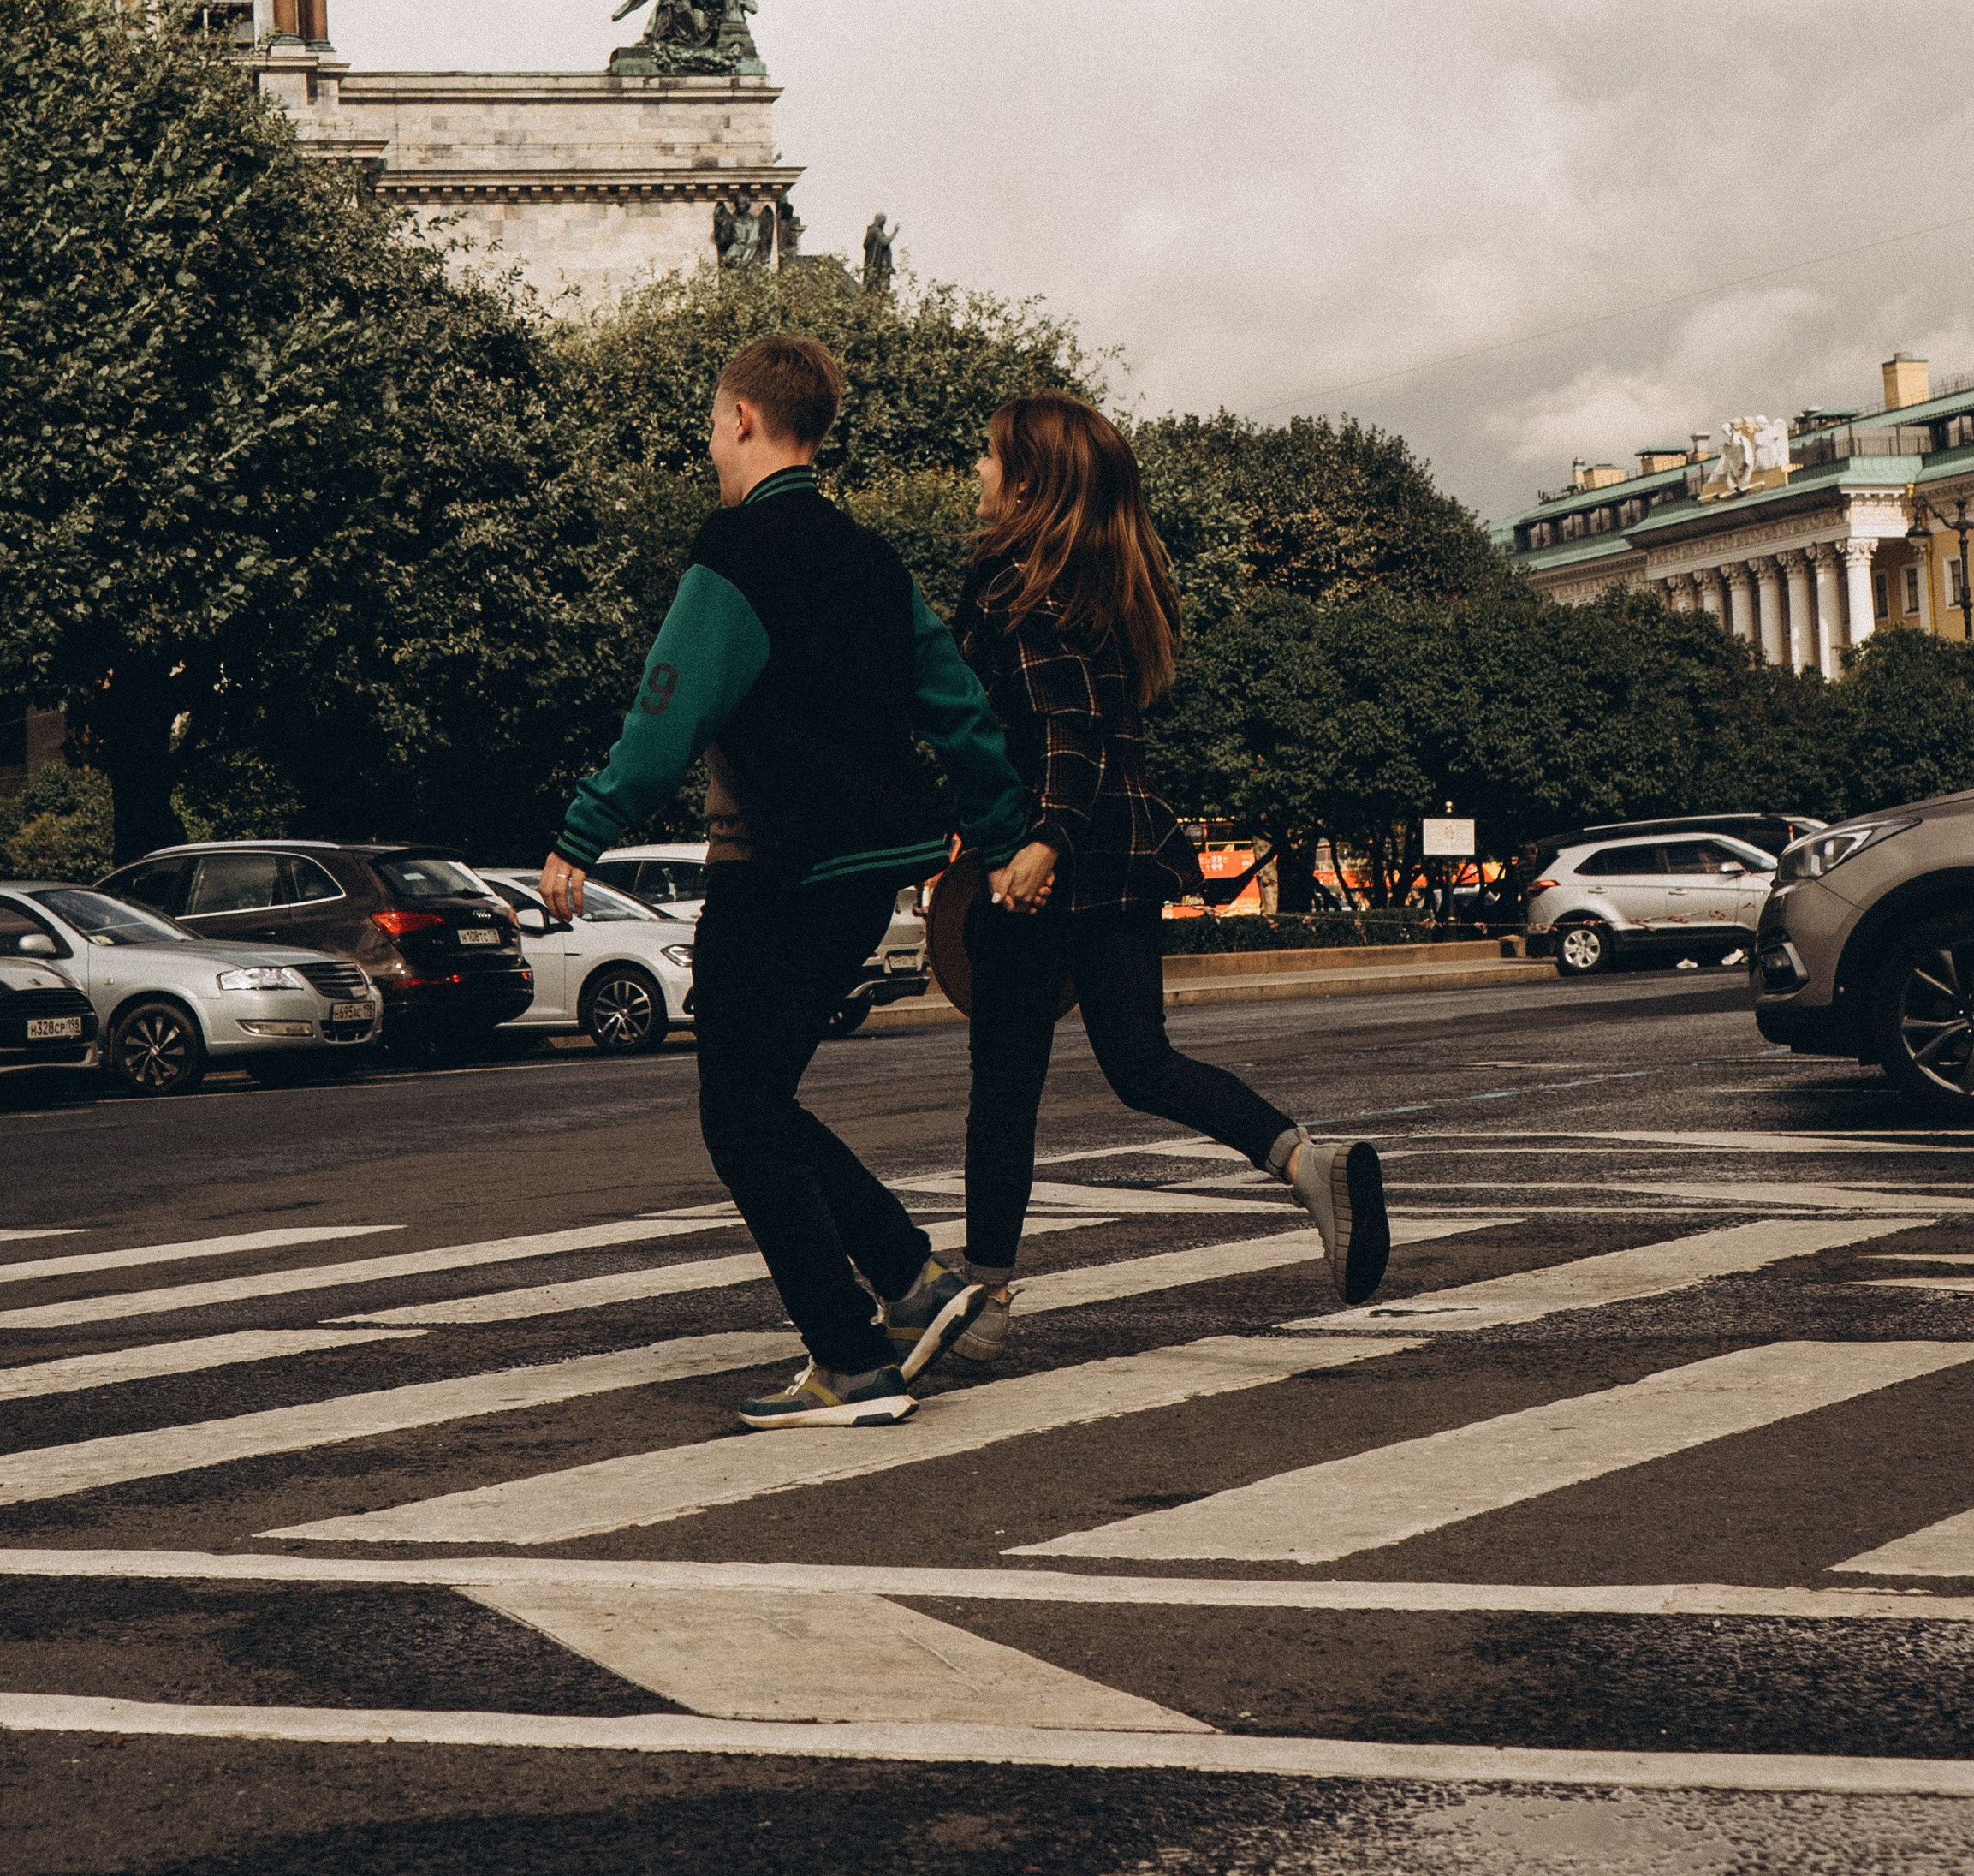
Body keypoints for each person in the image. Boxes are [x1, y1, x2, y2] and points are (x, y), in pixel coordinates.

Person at [539, 332, 1032, 1432]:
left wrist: (584, 831)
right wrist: (1001, 834)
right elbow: (958, 709)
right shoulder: (872, 559)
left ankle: (852, 1359)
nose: (710, 442)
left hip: (779, 867)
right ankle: (912, 1283)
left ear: (747, 421)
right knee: (760, 1100)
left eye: (714, 423)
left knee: (738, 1116)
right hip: (870, 877)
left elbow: (667, 714)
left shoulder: (736, 554)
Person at [951, 393, 1391, 1359]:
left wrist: (1040, 840)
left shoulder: (1015, 589)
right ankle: (1304, 1160)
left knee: (1005, 1089)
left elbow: (1064, 739)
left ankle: (981, 1300)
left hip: (1049, 872)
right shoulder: (1097, 589)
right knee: (1142, 1062)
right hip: (1127, 860)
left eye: (988, 459)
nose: (975, 474)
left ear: (1030, 482)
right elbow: (1099, 736)